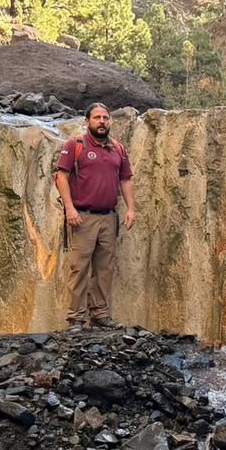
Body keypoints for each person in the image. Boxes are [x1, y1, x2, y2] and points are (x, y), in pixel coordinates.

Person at [55, 103, 136, 330]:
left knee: (104, 269)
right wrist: (69, 209)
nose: (102, 121)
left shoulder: (118, 149)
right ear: (87, 121)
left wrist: (131, 208)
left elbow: (126, 180)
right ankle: (76, 318)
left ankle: (100, 315)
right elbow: (61, 178)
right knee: (79, 268)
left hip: (109, 218)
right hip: (83, 217)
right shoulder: (75, 145)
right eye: (97, 118)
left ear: (110, 121)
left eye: (105, 118)